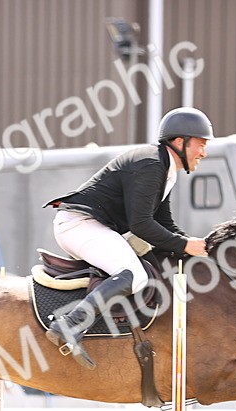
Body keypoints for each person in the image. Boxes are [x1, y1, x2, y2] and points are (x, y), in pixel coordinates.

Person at [43, 107, 214, 369]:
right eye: (201, 144)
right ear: (180, 142)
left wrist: (199, 246)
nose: (204, 152)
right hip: (80, 225)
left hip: (93, 227)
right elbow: (142, 224)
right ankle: (70, 325)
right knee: (134, 275)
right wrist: (183, 245)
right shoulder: (151, 164)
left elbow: (163, 223)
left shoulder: (166, 169)